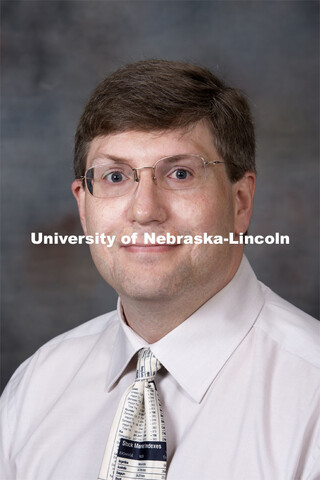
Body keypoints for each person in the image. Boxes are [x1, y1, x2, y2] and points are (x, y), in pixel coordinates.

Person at [0, 59, 319, 480]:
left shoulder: (311, 395)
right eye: (115, 176)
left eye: (181, 173)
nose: (145, 210)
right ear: (83, 205)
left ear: (240, 201)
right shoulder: (37, 387)